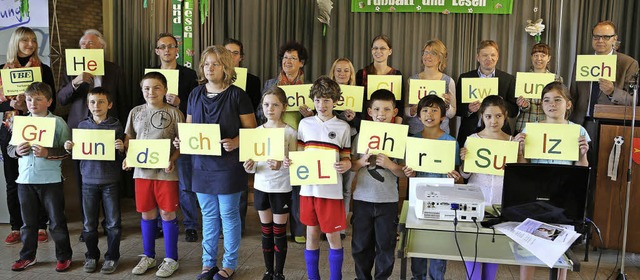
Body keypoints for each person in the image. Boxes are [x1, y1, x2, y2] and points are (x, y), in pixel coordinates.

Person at [174, 45, 256, 280]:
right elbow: (189, 128)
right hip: (201, 166)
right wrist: (182, 141)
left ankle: (228, 265)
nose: (210, 68)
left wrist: (235, 142)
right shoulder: (195, 94)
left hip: (229, 166)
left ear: (226, 68)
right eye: (206, 64)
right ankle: (207, 265)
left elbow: (251, 131)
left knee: (229, 215)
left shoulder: (238, 95)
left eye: (216, 64)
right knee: (208, 216)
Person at [515, 81, 589, 280]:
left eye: (558, 99)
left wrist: (583, 155)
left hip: (564, 192)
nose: (552, 104)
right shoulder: (530, 128)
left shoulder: (578, 131)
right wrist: (520, 151)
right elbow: (523, 167)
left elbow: (582, 170)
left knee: (560, 246)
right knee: (528, 241)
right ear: (541, 104)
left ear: (569, 104)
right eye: (547, 100)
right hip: (535, 190)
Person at [57, 28, 126, 242]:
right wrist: (76, 81)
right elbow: (61, 99)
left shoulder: (113, 69)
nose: (86, 47)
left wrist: (123, 131)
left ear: (101, 48)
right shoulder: (71, 69)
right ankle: (90, 227)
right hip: (81, 130)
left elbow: (122, 100)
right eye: (83, 44)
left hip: (108, 129)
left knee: (111, 176)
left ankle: (111, 223)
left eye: (91, 43)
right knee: (83, 179)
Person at [290, 76, 351, 280]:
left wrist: (346, 164)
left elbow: (346, 157)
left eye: (326, 100)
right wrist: (292, 163)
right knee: (311, 234)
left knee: (333, 236)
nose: (321, 105)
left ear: (335, 101)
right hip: (309, 189)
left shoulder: (343, 127)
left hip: (331, 192)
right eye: (317, 100)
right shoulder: (305, 124)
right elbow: (299, 154)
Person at [124, 72, 183, 277]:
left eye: (157, 87)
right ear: (142, 90)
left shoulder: (175, 113)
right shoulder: (135, 112)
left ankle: (171, 259)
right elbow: (129, 138)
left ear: (165, 90)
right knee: (147, 213)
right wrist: (127, 157)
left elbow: (181, 144)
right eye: (147, 88)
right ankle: (148, 256)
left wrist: (172, 159)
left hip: (166, 174)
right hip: (142, 173)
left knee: (167, 213)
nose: (151, 92)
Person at [8, 82, 72, 272]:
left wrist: (48, 152)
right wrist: (17, 151)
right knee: (28, 223)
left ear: (49, 101)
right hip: (25, 180)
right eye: (29, 99)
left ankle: (63, 256)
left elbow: (68, 151)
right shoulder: (20, 122)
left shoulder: (58, 122)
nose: (32, 103)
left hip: (50, 180)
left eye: (38, 99)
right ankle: (27, 256)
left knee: (57, 221)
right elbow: (10, 149)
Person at [63, 87, 125, 274]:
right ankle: (91, 255)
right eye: (92, 102)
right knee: (89, 224)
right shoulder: (82, 126)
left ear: (110, 105)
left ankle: (112, 257)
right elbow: (78, 153)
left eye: (101, 102)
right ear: (87, 105)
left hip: (111, 181)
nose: (96, 106)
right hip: (88, 181)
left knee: (113, 223)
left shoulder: (116, 126)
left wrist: (121, 148)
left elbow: (123, 157)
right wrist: (69, 147)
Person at [403, 94, 462, 280]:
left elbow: (458, 176)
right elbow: (408, 170)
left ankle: (437, 277)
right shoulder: (412, 140)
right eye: (425, 110)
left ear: (443, 117)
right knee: (418, 242)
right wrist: (408, 173)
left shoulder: (451, 142)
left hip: (443, 199)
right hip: (418, 199)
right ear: (418, 116)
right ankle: (417, 276)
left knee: (439, 242)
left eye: (435, 110)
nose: (429, 114)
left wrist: (455, 177)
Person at [0, 26, 50, 245]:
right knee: (13, 181)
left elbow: (53, 102)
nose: (30, 44)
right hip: (10, 130)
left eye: (33, 40)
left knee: (38, 179)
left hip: (38, 129)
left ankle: (40, 224)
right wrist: (10, 104)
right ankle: (16, 226)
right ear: (16, 43)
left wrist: (32, 105)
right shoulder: (2, 70)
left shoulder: (44, 70)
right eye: (25, 41)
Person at [350, 89, 406, 280]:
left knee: (386, 245)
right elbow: (351, 166)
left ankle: (382, 277)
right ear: (370, 111)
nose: (381, 114)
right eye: (377, 109)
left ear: (394, 112)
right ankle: (362, 277)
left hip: (387, 200)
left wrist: (390, 164)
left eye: (387, 109)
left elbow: (403, 172)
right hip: (362, 199)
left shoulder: (399, 138)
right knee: (360, 245)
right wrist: (360, 162)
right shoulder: (360, 135)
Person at [459, 95, 516, 280]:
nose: (493, 121)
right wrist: (464, 162)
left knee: (493, 247)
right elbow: (466, 176)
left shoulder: (512, 142)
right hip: (477, 198)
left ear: (505, 116)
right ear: (482, 116)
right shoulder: (472, 139)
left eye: (498, 116)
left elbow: (516, 176)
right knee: (473, 246)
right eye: (489, 116)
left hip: (500, 201)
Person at [243, 86, 296, 280]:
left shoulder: (290, 132)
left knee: (279, 231)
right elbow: (252, 164)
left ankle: (279, 272)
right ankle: (268, 271)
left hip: (281, 187)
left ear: (284, 107)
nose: (270, 109)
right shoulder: (256, 131)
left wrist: (282, 164)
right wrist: (249, 166)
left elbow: (295, 164)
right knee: (266, 231)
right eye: (266, 104)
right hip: (261, 187)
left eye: (275, 105)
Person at [261, 41, 311, 244]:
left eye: (293, 58)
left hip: (299, 139)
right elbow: (259, 111)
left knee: (298, 185)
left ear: (302, 63)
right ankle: (275, 225)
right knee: (277, 182)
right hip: (274, 138)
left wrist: (309, 114)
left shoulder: (309, 87)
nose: (288, 61)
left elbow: (317, 116)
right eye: (285, 57)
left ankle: (298, 229)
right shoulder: (270, 84)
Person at [153, 32, 200, 242]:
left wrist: (180, 102)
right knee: (158, 180)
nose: (167, 50)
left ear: (177, 50)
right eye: (163, 47)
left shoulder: (189, 75)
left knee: (185, 182)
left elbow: (197, 105)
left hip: (183, 133)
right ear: (157, 51)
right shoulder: (151, 75)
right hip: (158, 133)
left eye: (171, 46)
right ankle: (160, 224)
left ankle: (190, 225)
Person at [569, 21, 639, 141]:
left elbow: (633, 101)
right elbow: (573, 94)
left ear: (614, 39)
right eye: (596, 36)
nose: (600, 40)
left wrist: (612, 91)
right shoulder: (582, 62)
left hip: (610, 125)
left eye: (606, 37)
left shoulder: (628, 63)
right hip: (581, 124)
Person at [225, 38, 262, 236]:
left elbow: (255, 109)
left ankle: (238, 225)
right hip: (221, 137)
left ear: (241, 57)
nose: (231, 56)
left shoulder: (253, 80)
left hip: (244, 134)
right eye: (227, 52)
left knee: (240, 181)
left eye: (235, 53)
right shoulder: (210, 80)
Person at [456, 40, 518, 147]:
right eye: (485, 55)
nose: (489, 58)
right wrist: (469, 109)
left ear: (497, 57)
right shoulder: (465, 77)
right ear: (478, 57)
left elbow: (514, 112)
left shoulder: (508, 79)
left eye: (492, 55)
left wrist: (501, 103)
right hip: (469, 132)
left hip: (500, 134)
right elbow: (456, 108)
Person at [329, 57, 357, 240]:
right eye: (338, 70)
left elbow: (364, 122)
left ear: (351, 74)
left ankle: (340, 226)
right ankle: (329, 224)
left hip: (351, 142)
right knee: (331, 187)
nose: (342, 73)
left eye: (346, 70)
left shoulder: (357, 93)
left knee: (346, 188)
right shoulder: (326, 93)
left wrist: (353, 117)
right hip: (330, 143)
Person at [407, 39, 457, 135]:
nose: (427, 56)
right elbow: (405, 109)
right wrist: (412, 110)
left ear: (440, 58)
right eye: (426, 52)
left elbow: (452, 114)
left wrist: (447, 106)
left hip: (440, 134)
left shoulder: (448, 81)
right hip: (415, 133)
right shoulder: (412, 80)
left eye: (433, 53)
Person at [356, 35, 404, 127]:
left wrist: (396, 127)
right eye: (375, 48)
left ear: (390, 51)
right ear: (371, 51)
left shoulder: (396, 74)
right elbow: (358, 104)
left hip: (390, 124)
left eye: (382, 48)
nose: (378, 51)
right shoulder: (361, 74)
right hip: (366, 123)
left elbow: (399, 104)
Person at [514, 43, 563, 133]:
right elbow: (522, 105)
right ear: (531, 58)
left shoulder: (556, 79)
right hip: (524, 124)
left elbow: (558, 103)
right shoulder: (523, 78)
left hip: (548, 124)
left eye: (543, 55)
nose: (539, 59)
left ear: (548, 58)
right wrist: (523, 105)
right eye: (535, 55)